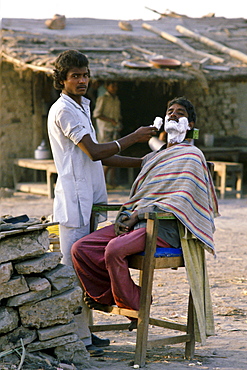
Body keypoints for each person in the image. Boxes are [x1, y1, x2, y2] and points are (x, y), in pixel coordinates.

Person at [47, 49, 157, 356]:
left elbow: (103, 155)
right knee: (72, 272)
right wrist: (134, 137)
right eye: (75, 76)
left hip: (91, 198)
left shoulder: (82, 104)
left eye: (85, 75)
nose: (82, 81)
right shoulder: (64, 110)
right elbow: (94, 151)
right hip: (73, 202)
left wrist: (142, 162)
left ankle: (84, 336)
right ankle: (73, 339)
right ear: (62, 80)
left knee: (83, 270)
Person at [71, 97, 219, 318]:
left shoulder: (192, 156)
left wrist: (138, 215)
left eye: (180, 112)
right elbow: (143, 193)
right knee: (81, 249)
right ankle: (113, 296)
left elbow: (180, 202)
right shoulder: (154, 157)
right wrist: (128, 216)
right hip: (136, 222)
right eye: (170, 111)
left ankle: (136, 305)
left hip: (164, 229)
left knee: (114, 250)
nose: (173, 114)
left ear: (190, 126)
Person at [93, 80, 123, 186]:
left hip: (114, 129)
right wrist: (111, 121)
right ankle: (103, 182)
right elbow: (97, 114)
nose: (115, 87)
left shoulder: (116, 99)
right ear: (107, 86)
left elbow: (117, 115)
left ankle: (112, 182)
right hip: (105, 130)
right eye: (112, 85)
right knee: (107, 156)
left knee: (116, 155)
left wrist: (118, 122)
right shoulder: (103, 98)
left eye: (116, 85)